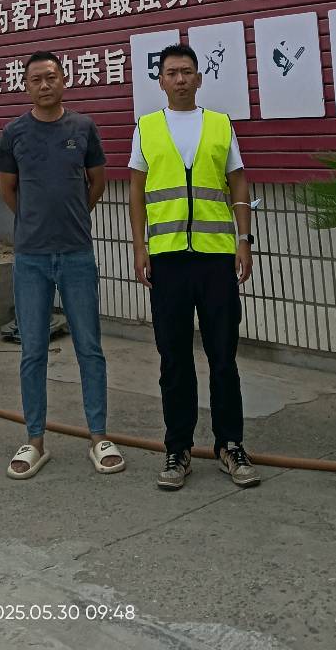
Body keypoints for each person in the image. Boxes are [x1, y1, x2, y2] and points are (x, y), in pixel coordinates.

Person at [127, 43, 260, 491]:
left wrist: (243, 240)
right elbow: (136, 191)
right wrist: (139, 247)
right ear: (161, 81)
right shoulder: (146, 127)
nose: (180, 79)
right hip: (167, 259)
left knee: (223, 356)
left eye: (187, 71)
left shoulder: (220, 124)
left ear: (199, 78)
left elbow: (238, 182)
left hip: (216, 256)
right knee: (174, 358)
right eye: (172, 72)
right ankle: (178, 448)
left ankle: (230, 445)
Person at [0, 51, 125, 479]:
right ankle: (35, 440)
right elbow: (8, 190)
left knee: (90, 347)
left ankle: (99, 437)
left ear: (64, 80)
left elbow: (97, 183)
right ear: (26, 86)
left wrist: (72, 217)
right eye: (36, 79)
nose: (45, 85)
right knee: (32, 350)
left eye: (51, 77)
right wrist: (35, 223)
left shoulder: (83, 128)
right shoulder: (13, 133)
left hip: (76, 254)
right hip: (30, 257)